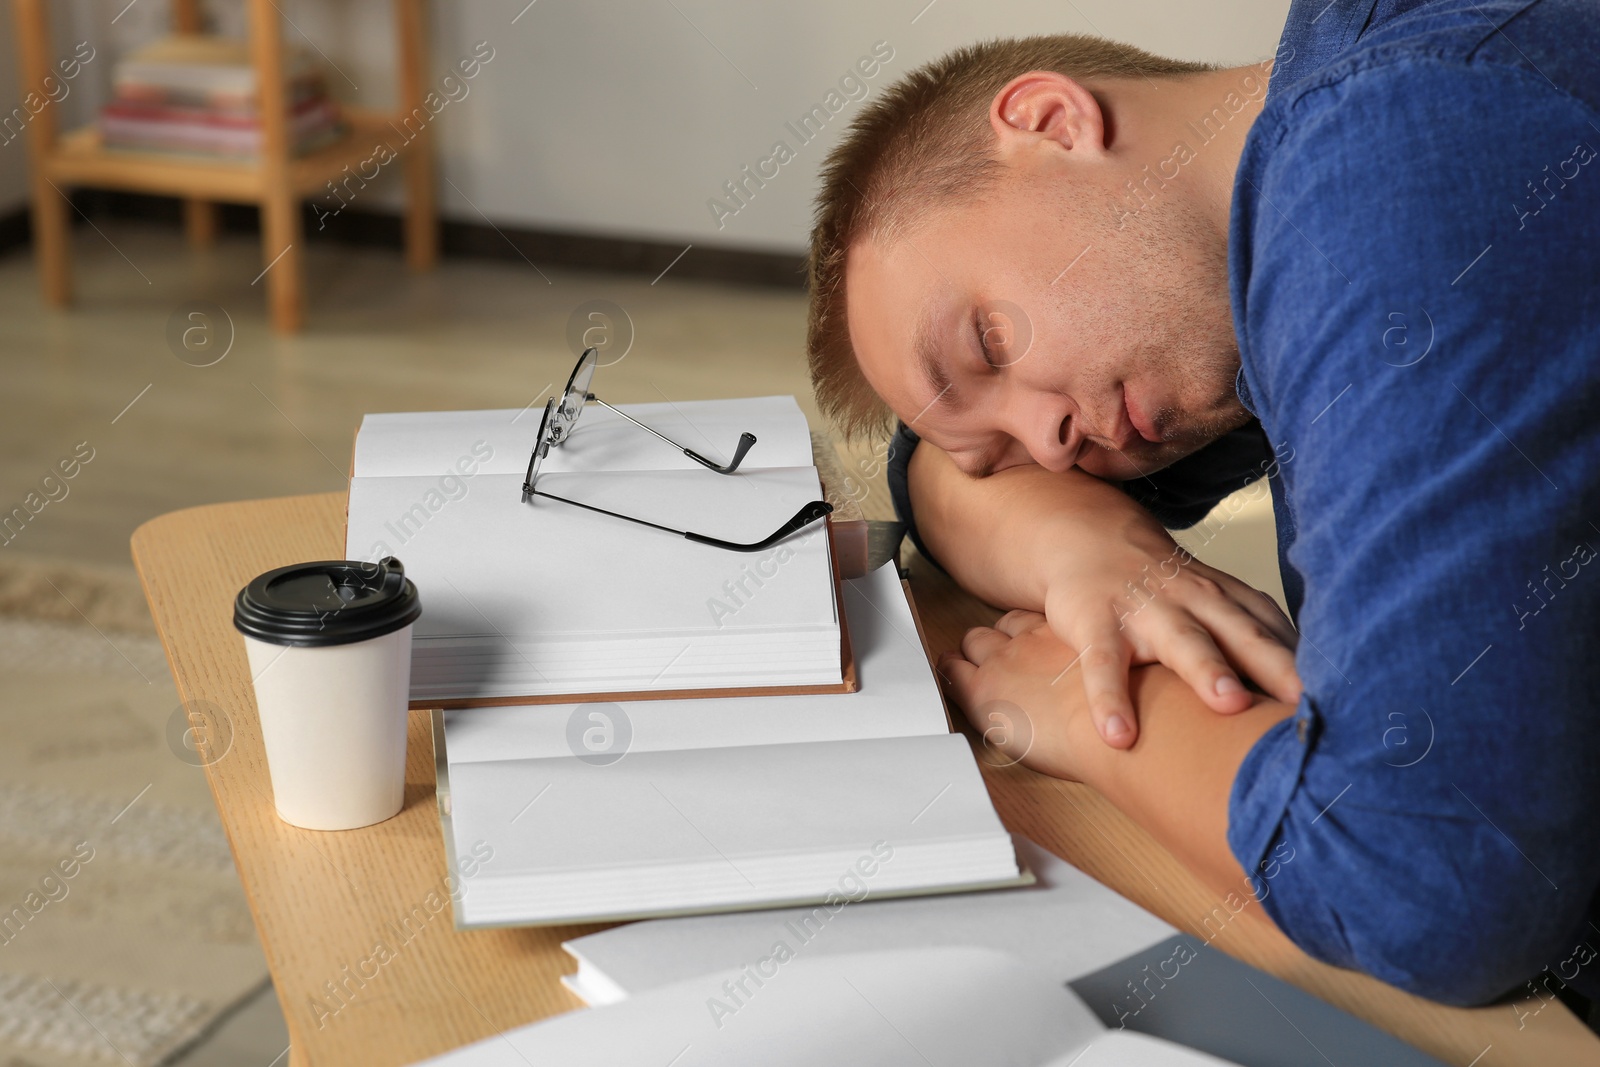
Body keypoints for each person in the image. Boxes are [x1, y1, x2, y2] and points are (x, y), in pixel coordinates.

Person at [804, 0, 1600, 1016]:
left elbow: (1431, 882)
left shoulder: (1385, 173)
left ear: (1052, 122)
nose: (1045, 444)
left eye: (988, 344)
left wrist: (1084, 716)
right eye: (996, 435)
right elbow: (932, 472)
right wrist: (1094, 556)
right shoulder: (1303, 171)